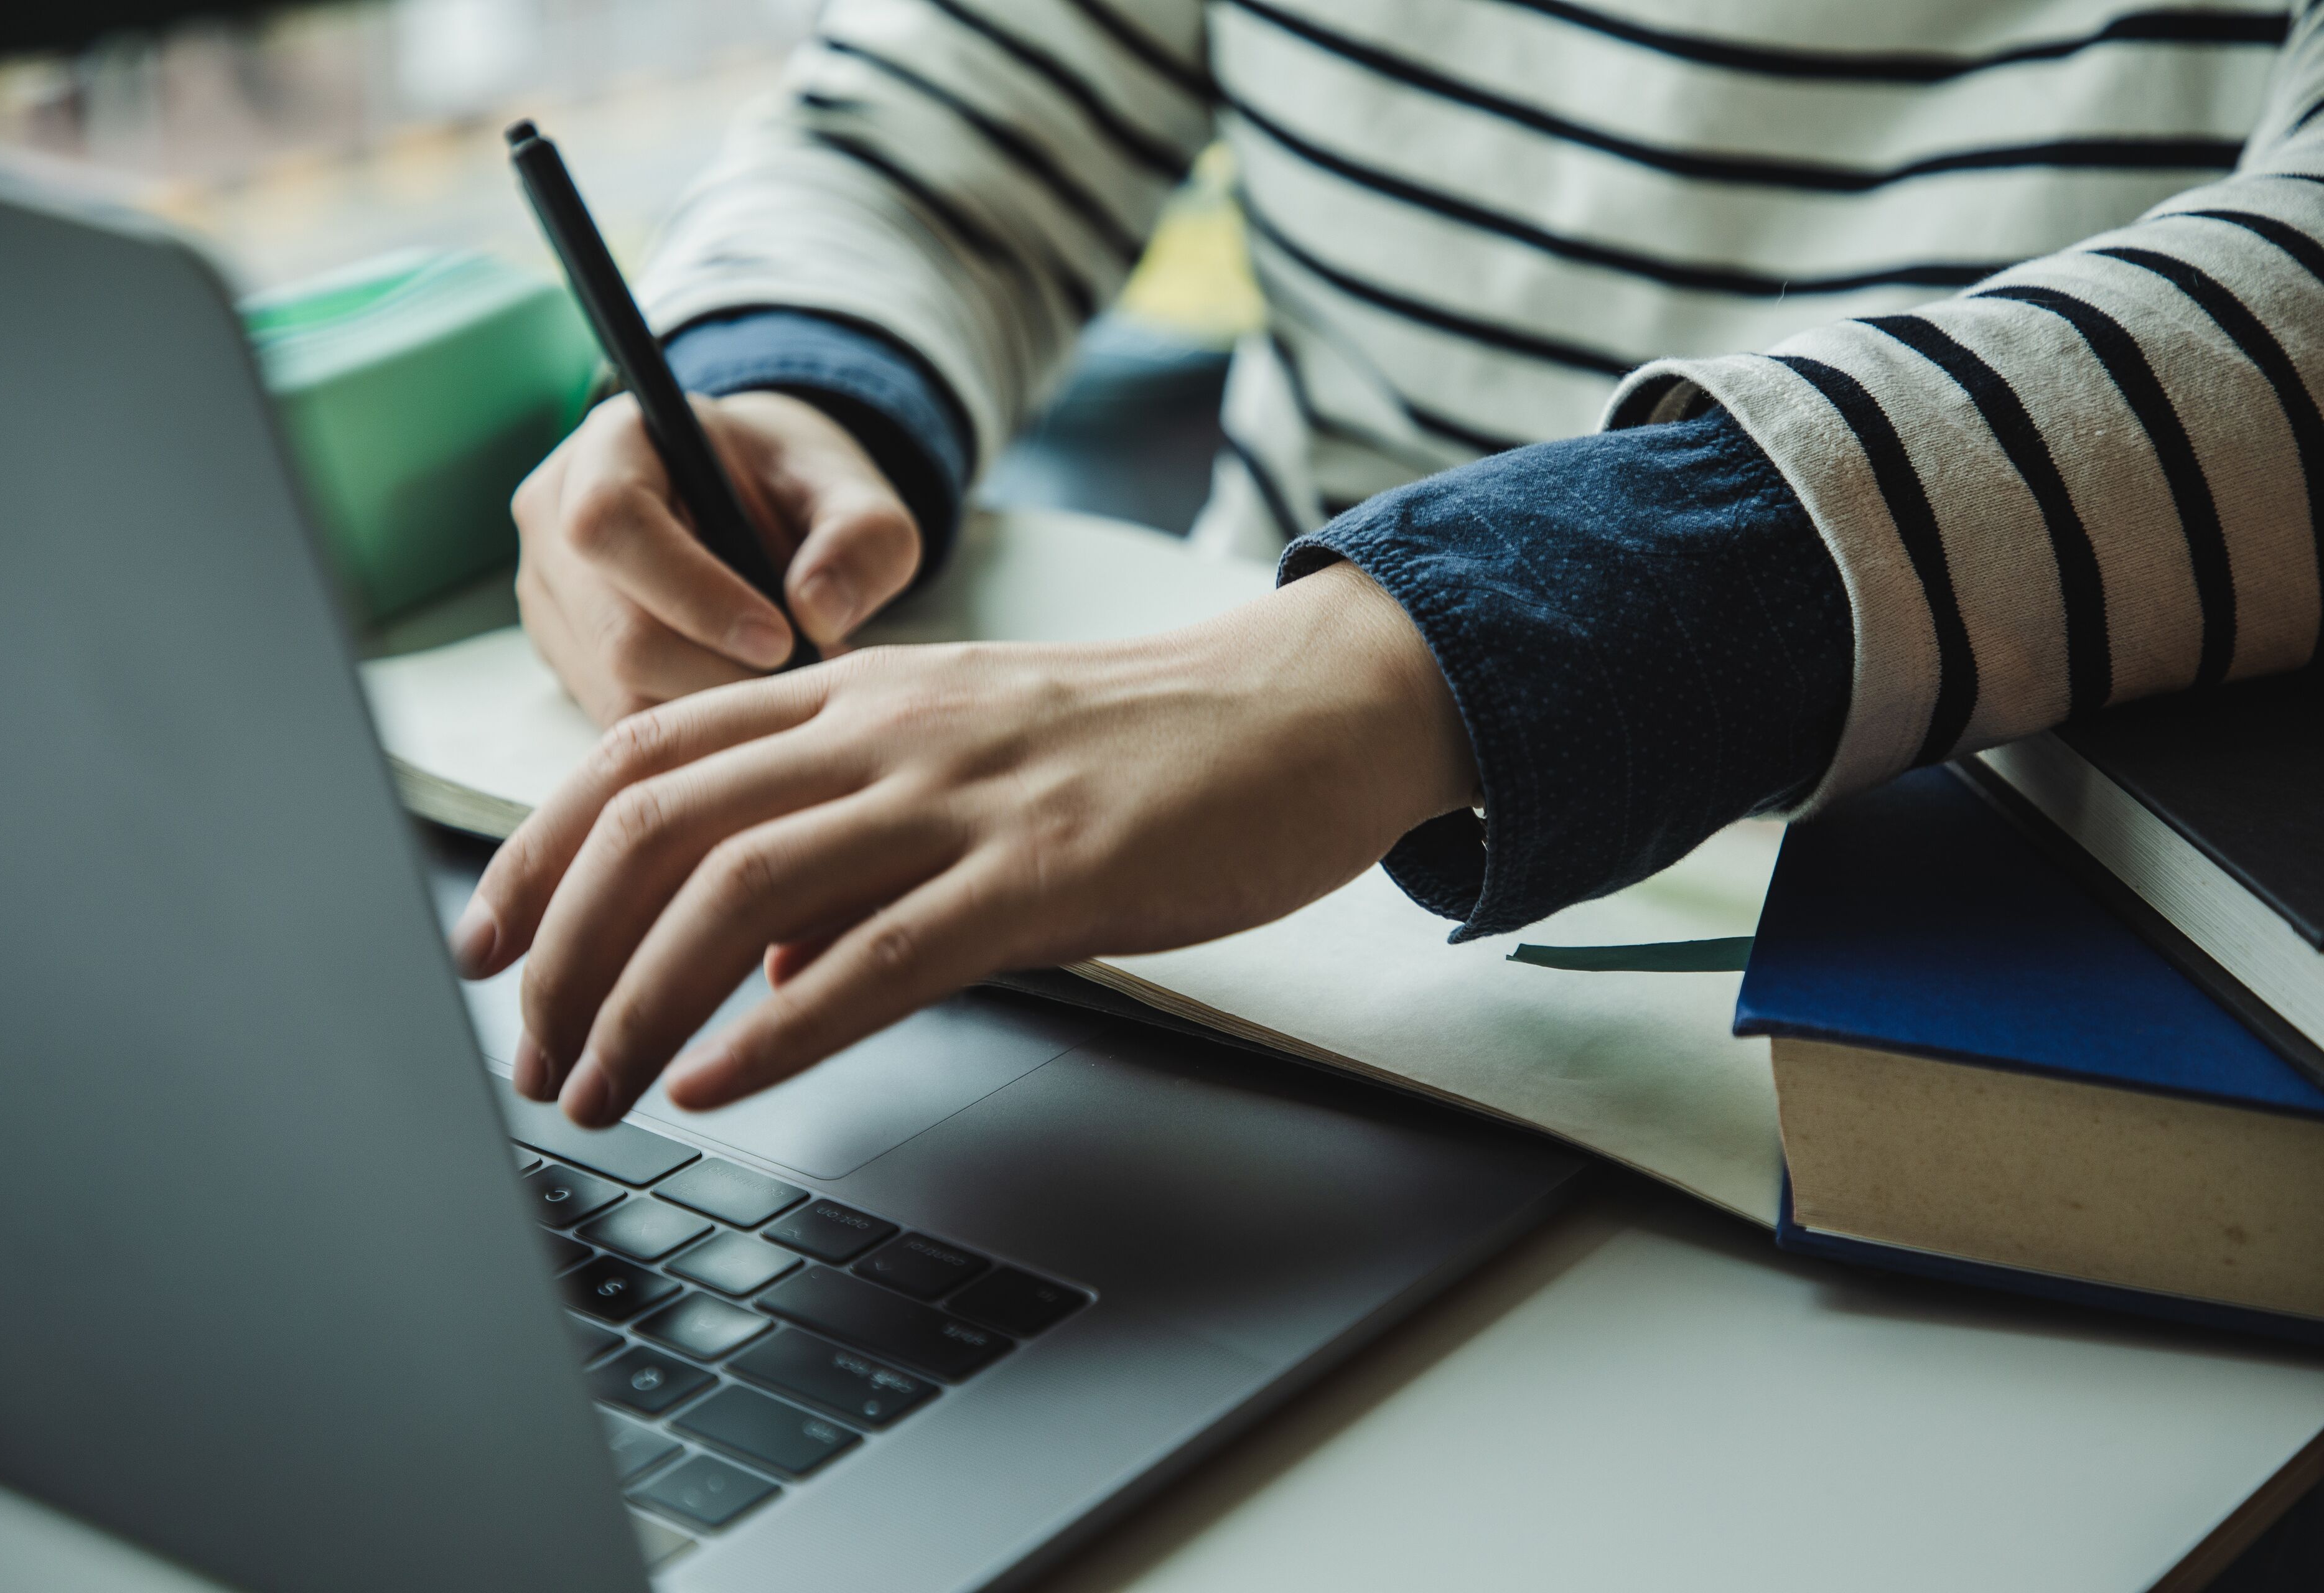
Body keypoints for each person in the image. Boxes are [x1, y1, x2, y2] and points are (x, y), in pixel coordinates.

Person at [449, 0, 2324, 1129]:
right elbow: (945, 114)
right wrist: (783, 384)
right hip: (1222, 881)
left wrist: (1416, 658)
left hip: (1987, 962)